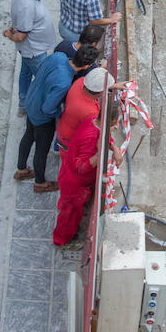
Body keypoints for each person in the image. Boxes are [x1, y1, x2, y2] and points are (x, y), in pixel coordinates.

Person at [13, 45, 98, 192]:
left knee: (28, 136)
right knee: (41, 149)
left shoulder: (58, 57)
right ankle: (40, 183)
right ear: (87, 66)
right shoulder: (64, 83)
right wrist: (60, 115)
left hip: (32, 101)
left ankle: (21, 170)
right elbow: (48, 108)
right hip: (42, 117)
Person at [53, 101, 123, 247]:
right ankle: (61, 240)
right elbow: (80, 168)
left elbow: (106, 137)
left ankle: (63, 208)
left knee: (69, 209)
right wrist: (99, 153)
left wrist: (114, 148)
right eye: (118, 120)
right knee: (69, 216)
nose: (118, 124)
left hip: (71, 177)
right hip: (75, 185)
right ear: (110, 121)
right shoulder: (91, 137)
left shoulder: (92, 121)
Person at [3, 0, 56, 113]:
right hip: (34, 51)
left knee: (25, 74)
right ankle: (39, 110)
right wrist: (9, 34)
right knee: (43, 81)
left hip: (30, 48)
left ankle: (23, 104)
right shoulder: (27, 6)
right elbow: (20, 36)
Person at [56, 66, 127, 159]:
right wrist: (113, 144)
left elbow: (94, 87)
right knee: (70, 164)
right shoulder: (89, 112)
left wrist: (114, 85)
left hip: (64, 126)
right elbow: (99, 130)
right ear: (100, 92)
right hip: (69, 140)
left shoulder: (81, 82)